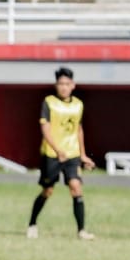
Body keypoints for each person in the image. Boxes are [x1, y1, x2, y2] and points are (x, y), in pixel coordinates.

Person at [27, 66, 95, 241]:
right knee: (47, 190)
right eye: (60, 83)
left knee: (76, 187)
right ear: (56, 85)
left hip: (72, 154)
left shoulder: (78, 104)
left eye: (67, 83)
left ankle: (81, 230)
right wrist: (58, 150)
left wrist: (83, 154)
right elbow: (45, 128)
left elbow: (78, 129)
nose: (64, 87)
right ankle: (32, 223)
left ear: (73, 85)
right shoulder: (49, 102)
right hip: (52, 154)